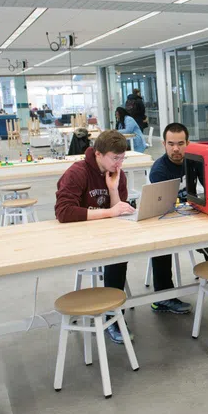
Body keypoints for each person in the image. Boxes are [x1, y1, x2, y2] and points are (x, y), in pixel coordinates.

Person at [55, 130, 136, 343]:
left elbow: (118, 211)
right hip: (78, 237)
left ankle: (113, 311)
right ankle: (111, 314)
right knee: (115, 255)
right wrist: (109, 213)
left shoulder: (118, 173)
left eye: (122, 158)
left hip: (106, 234)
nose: (119, 163)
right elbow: (64, 212)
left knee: (119, 252)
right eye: (115, 158)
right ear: (98, 154)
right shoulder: (77, 172)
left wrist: (113, 189)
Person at [147, 123, 208, 313]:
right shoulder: (159, 170)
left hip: (189, 215)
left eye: (180, 143)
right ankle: (163, 297)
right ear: (163, 144)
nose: (175, 149)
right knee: (161, 243)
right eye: (171, 144)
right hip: (163, 220)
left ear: (188, 143)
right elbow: (164, 207)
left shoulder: (195, 161)